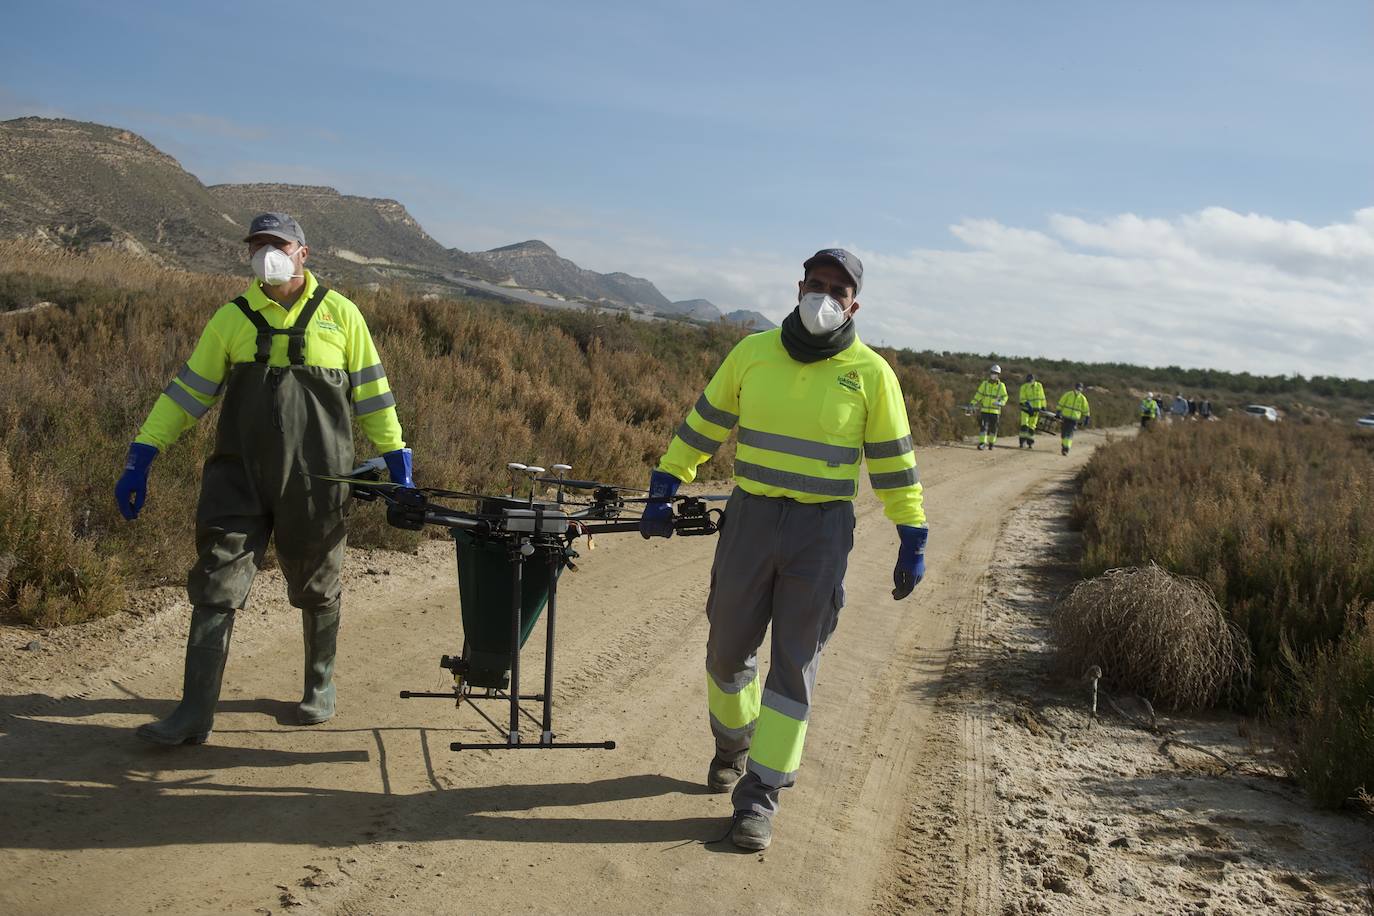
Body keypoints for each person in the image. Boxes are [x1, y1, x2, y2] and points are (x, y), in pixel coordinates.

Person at [639, 248, 927, 851]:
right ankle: (733, 744)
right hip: (750, 516)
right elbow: (706, 422)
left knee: (794, 666)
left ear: (855, 303)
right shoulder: (752, 353)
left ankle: (759, 798)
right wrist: (669, 479)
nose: (824, 295)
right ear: (799, 287)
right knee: (725, 651)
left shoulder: (872, 374)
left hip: (821, 532)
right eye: (816, 282)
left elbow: (894, 463)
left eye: (838, 288)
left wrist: (911, 532)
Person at [115, 212, 414, 746]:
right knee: (215, 586)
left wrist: (397, 458)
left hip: (317, 482)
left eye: (275, 244)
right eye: (256, 245)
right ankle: (193, 713)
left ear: (304, 252)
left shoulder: (342, 316)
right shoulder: (231, 319)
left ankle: (319, 685)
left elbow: (373, 394)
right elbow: (188, 394)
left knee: (318, 587)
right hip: (239, 480)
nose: (264, 254)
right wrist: (143, 451)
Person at [970, 364, 1007, 450]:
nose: (994, 375)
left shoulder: (1001, 386)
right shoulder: (985, 384)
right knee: (983, 427)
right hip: (985, 410)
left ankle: (991, 443)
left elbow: (1005, 397)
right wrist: (973, 403)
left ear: (998, 375)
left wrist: (1001, 403)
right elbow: (979, 394)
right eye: (992, 373)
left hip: (995, 411)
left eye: (996, 373)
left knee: (993, 429)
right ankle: (982, 443)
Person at [1056, 382, 1091, 455]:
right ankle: (1064, 445)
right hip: (1065, 417)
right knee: (1063, 433)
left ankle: (1066, 449)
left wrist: (1087, 418)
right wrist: (1058, 412)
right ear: (1074, 388)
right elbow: (1061, 403)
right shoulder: (1068, 395)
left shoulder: (1082, 399)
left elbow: (1086, 409)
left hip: (1074, 419)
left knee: (1069, 433)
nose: (1078, 390)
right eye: (1077, 388)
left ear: (1082, 389)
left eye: (1080, 388)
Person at [1017, 373, 1046, 449]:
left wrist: (1043, 406)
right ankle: (1022, 442)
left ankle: (1030, 443)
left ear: (1034, 380)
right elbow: (1022, 398)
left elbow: (1042, 397)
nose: (1030, 382)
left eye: (1031, 381)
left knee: (1032, 427)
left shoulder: (1039, 386)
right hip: (1026, 409)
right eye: (1028, 381)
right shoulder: (1024, 387)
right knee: (1024, 425)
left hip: (1036, 410)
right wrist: (1027, 405)